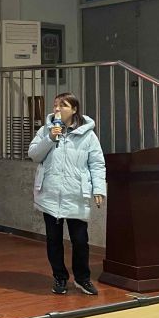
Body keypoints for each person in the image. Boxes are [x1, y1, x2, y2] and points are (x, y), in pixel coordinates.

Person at [28, 92, 106, 296]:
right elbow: (34, 154)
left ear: (74, 109)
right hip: (50, 193)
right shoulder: (46, 130)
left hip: (76, 194)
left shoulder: (88, 135)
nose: (57, 109)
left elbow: (97, 163)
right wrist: (50, 138)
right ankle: (60, 277)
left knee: (80, 240)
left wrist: (99, 188)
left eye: (63, 105)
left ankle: (82, 278)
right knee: (53, 240)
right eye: (55, 105)